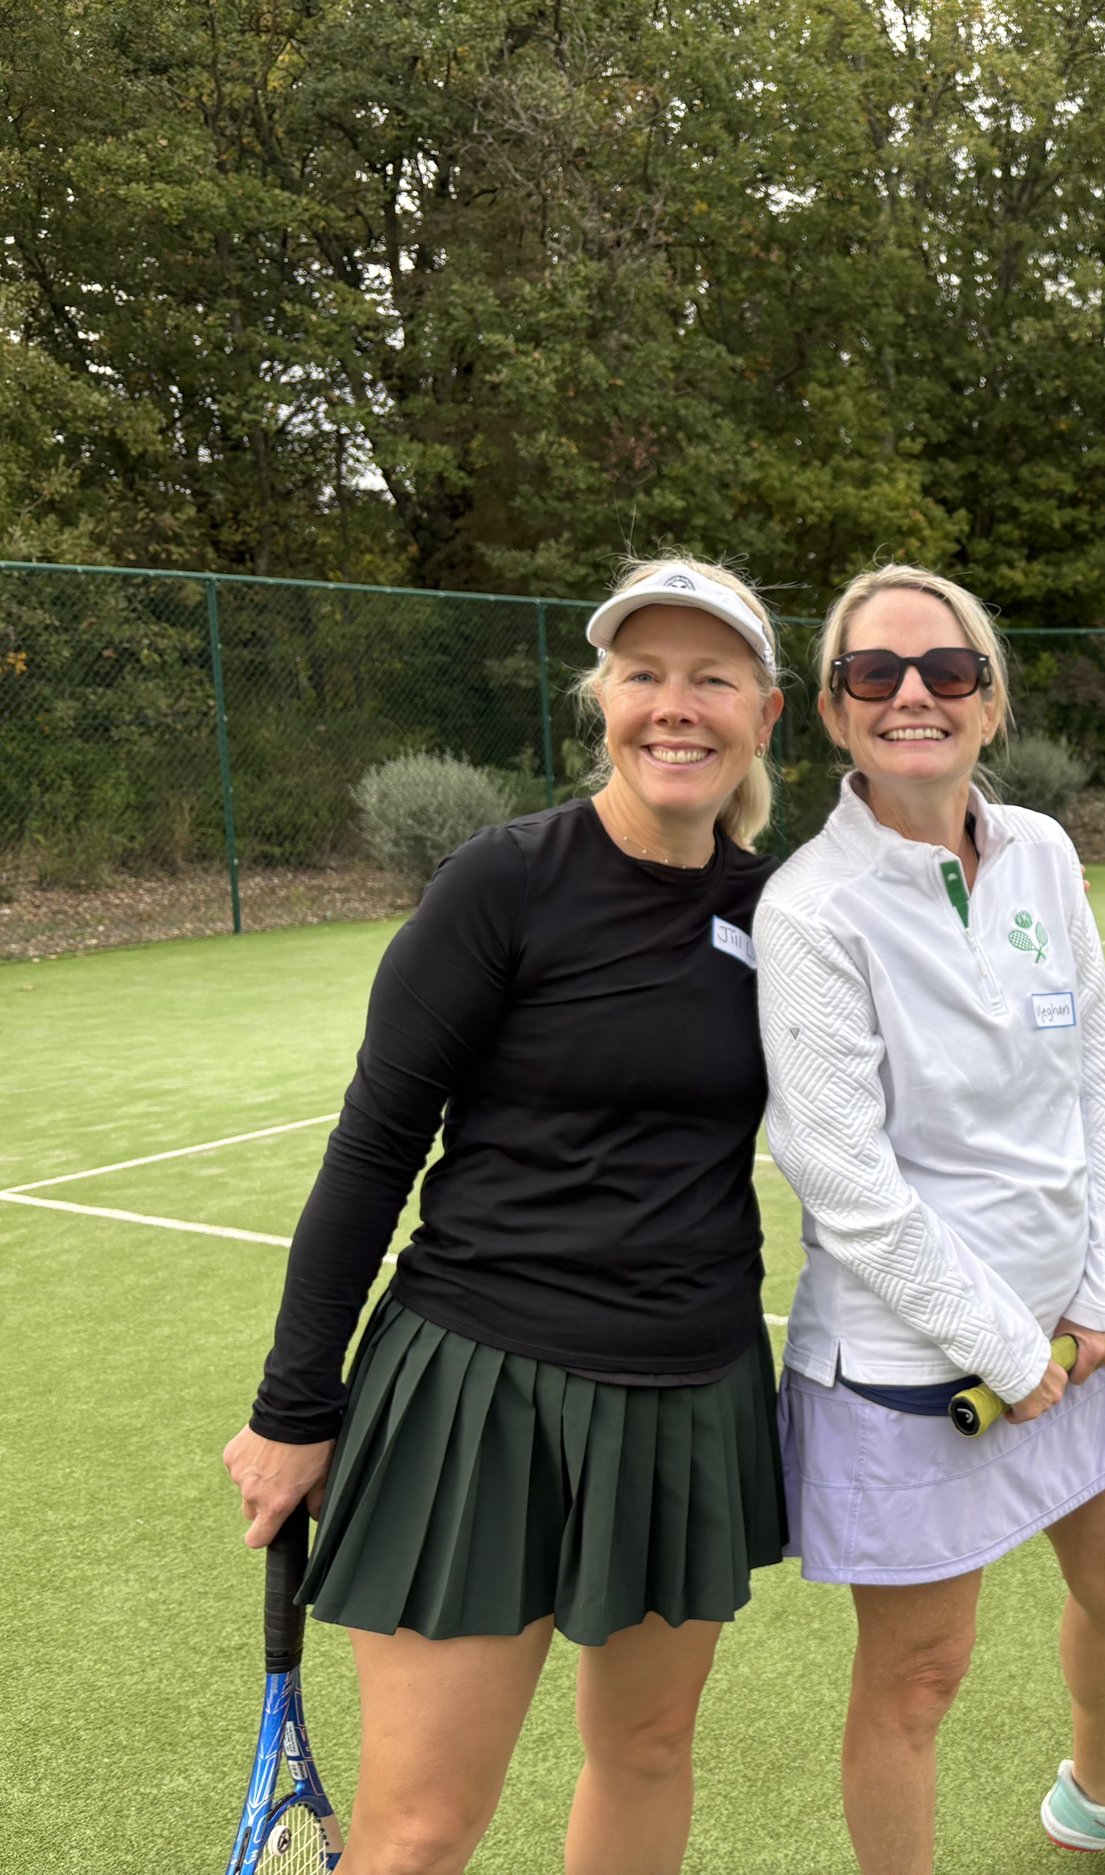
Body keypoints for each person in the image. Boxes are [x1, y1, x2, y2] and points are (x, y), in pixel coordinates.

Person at [220, 559, 791, 1875]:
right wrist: (293, 1405)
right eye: (644, 674)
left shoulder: (780, 912)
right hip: (476, 1394)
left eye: (711, 679)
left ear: (766, 714)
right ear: (603, 702)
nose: (675, 707)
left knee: (645, 1756)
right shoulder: (505, 883)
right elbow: (373, 1149)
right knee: (420, 1830)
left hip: (691, 1394)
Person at [753, 564, 1105, 1875]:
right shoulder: (810, 910)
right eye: (877, 673)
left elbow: (1093, 1073)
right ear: (834, 710)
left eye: (947, 670)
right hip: (913, 1361)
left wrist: (1101, 1292)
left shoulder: (1043, 852)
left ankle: (1101, 1791)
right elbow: (849, 1188)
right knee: (919, 1678)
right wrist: (1011, 1353)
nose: (914, 694)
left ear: (989, 699)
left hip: (1064, 1332)